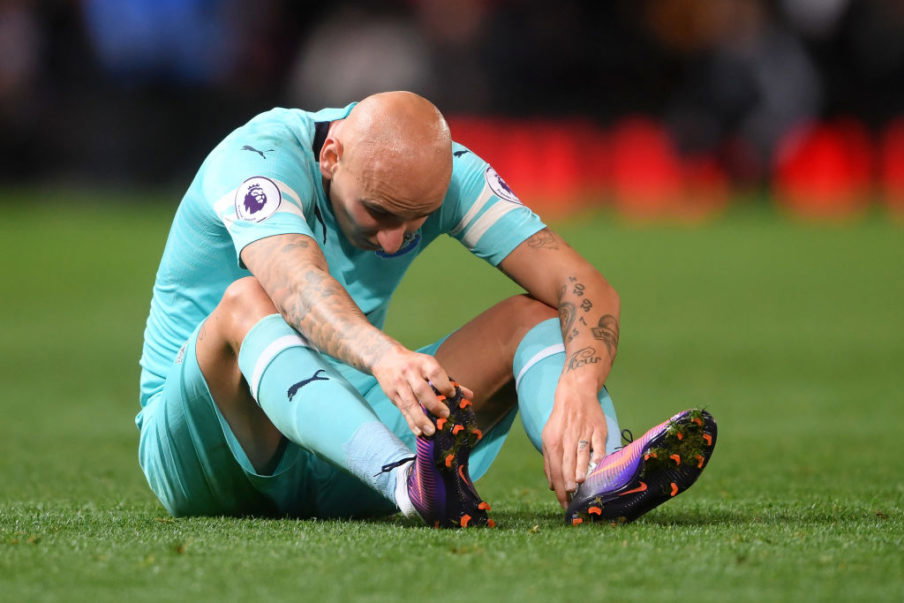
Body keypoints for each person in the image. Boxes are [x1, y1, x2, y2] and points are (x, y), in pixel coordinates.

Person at [137, 91, 716, 528]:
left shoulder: (446, 172)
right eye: (379, 213)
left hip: (341, 441)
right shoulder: (256, 160)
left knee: (532, 318)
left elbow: (580, 283)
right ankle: (408, 483)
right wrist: (386, 359)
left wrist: (580, 384)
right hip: (204, 454)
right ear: (332, 157)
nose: (395, 240)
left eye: (416, 221)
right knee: (248, 299)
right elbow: (297, 287)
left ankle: (596, 474)